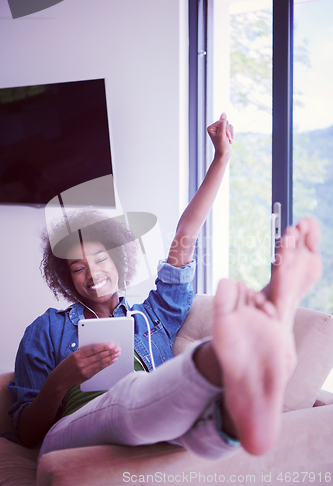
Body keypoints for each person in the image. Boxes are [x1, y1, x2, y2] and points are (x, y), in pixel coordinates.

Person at [7, 114, 322, 461]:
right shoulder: (45, 329)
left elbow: (184, 238)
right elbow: (28, 434)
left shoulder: (152, 315)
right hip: (72, 436)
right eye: (78, 268)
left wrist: (221, 159)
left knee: (185, 424)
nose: (92, 273)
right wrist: (60, 381)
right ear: (66, 278)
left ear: (119, 260)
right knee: (127, 403)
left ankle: (232, 415)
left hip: (156, 418)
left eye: (100, 259)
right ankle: (222, 358)